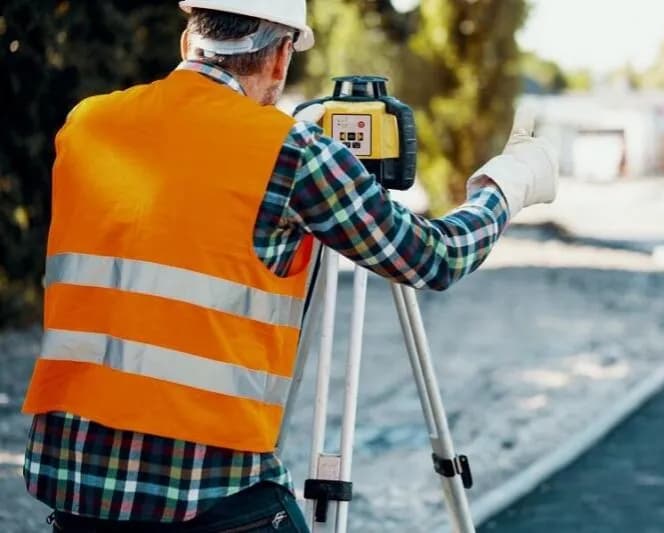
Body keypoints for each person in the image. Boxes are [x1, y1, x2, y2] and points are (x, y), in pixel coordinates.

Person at [20, 1, 558, 531]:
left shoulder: (87, 125)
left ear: (188, 41)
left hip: (73, 482)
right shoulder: (292, 152)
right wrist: (506, 186)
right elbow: (434, 258)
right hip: (205, 491)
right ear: (280, 57)